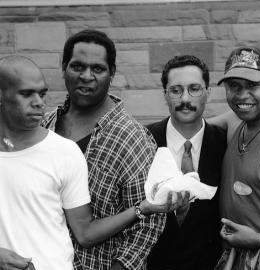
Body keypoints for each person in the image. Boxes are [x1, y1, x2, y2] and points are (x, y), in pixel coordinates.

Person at [0, 55, 187, 270]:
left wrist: (142, 208)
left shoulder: (64, 151)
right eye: (26, 94)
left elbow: (85, 232)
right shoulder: (52, 124)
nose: (39, 103)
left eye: (42, 94)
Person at [42, 29, 171, 270]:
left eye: (98, 69)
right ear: (63, 68)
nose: (86, 76)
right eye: (77, 66)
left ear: (112, 73)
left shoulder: (132, 138)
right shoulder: (44, 126)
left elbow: (148, 224)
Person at [146, 55, 227, 270]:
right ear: (165, 94)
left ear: (208, 92)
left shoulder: (225, 144)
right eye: (175, 90)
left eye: (194, 89)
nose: (185, 99)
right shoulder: (144, 140)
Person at [207, 46, 260, 269]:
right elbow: (190, 126)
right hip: (234, 260)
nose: (242, 95)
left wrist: (259, 239)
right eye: (234, 86)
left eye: (253, 85)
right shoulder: (236, 122)